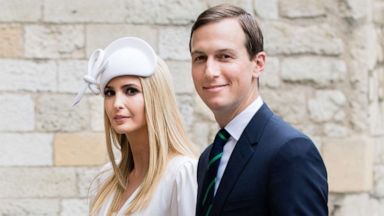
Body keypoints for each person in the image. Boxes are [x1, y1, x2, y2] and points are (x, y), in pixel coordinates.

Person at [189, 4, 328, 216]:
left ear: (258, 64)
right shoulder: (208, 159)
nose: (210, 71)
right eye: (200, 58)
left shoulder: (291, 152)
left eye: (224, 56)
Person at [73, 37, 197, 215]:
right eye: (109, 92)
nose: (117, 103)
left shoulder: (182, 173)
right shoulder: (107, 178)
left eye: (130, 91)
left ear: (156, 97)